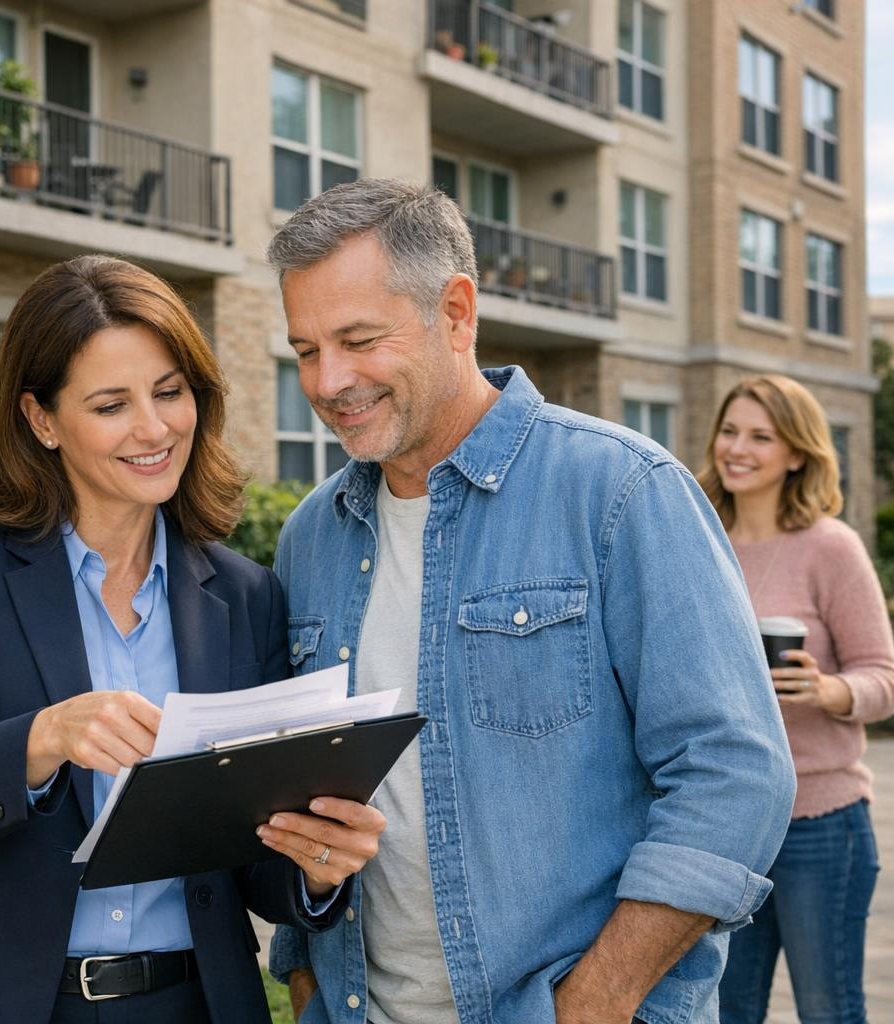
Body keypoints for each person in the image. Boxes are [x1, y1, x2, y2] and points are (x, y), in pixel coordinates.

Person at [262, 178, 797, 1024]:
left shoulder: (621, 492)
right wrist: (304, 979)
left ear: (456, 313)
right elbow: (302, 797)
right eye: (305, 350)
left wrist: (593, 1003)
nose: (329, 381)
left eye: (359, 340)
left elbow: (735, 774)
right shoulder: (309, 537)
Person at [0, 255, 386, 1024]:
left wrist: (317, 865)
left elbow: (250, 859)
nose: (153, 428)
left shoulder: (244, 595)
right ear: (41, 419)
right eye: (110, 404)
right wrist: (45, 737)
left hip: (189, 1005)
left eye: (169, 392)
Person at [700, 375, 894, 1024]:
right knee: (726, 1010)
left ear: (796, 453)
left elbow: (884, 677)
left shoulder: (830, 546)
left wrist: (828, 689)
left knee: (827, 1009)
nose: (738, 449)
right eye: (730, 431)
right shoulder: (698, 536)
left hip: (821, 822)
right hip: (726, 822)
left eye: (761, 436)